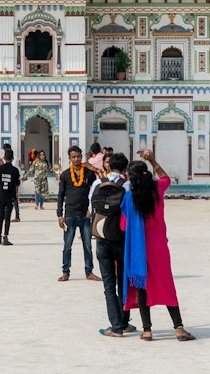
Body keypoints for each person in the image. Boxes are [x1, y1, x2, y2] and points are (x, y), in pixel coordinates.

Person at [122, 153, 195, 341]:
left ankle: (147, 330)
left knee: (141, 286)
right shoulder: (157, 190)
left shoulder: (129, 198)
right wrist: (152, 160)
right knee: (166, 284)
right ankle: (178, 328)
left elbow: (124, 226)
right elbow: (166, 178)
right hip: (158, 246)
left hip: (139, 248)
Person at [91, 151, 133, 337]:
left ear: (108, 165)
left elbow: (90, 207)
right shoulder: (128, 185)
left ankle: (115, 327)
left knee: (108, 284)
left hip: (102, 236)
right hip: (122, 238)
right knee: (123, 281)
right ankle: (124, 323)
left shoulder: (97, 183)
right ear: (125, 168)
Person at [56, 144, 98, 282]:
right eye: (74, 157)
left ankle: (89, 272)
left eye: (79, 156)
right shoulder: (65, 175)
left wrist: (92, 210)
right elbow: (61, 195)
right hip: (70, 215)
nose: (77, 159)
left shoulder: (88, 173)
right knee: (67, 246)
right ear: (69, 158)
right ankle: (65, 272)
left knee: (87, 245)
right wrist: (60, 215)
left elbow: (96, 189)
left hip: (85, 215)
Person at [0, 147, 20, 245]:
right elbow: (17, 183)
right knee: (7, 216)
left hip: (1, 195)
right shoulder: (15, 170)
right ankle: (5, 237)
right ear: (12, 158)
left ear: (4, 158)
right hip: (10, 196)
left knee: (0, 215)